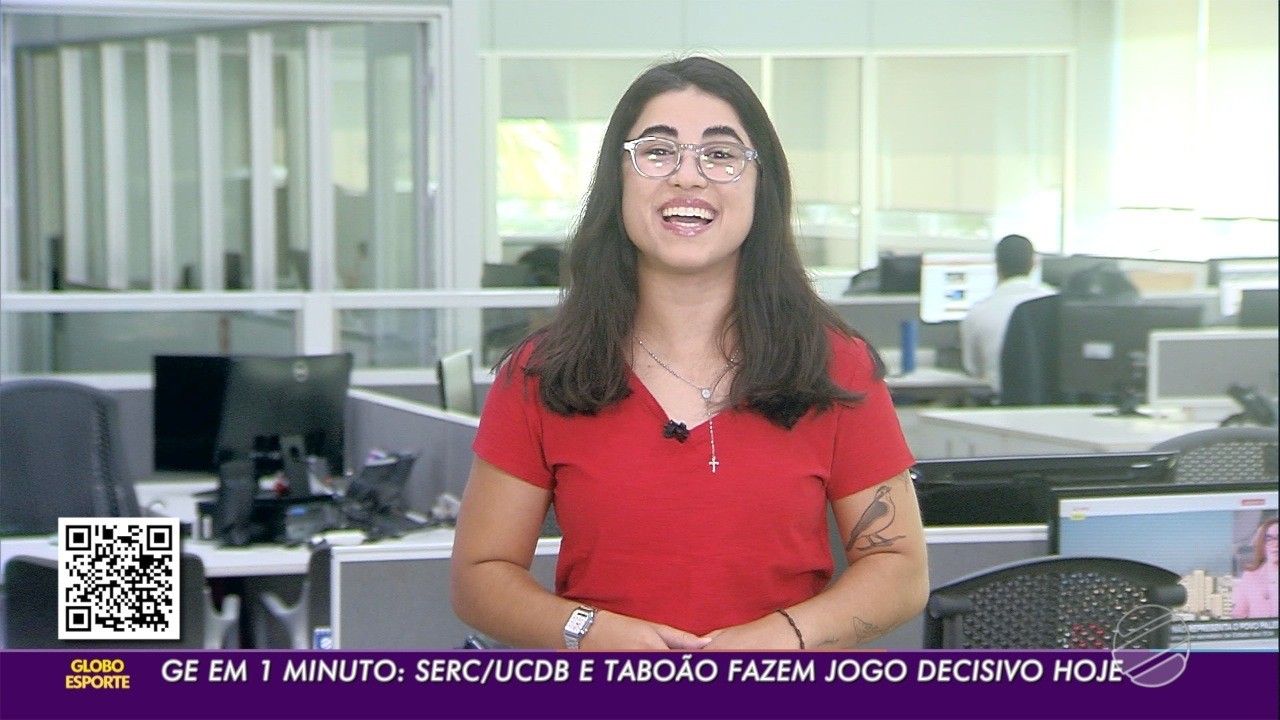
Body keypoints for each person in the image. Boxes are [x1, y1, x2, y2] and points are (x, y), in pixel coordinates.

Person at [450, 56, 928, 651]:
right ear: (618, 180)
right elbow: (480, 576)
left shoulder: (834, 365)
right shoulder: (543, 374)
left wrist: (780, 639)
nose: (689, 177)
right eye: (657, 152)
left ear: (762, 186)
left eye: (721, 155)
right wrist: (590, 631)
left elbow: (900, 570)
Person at [958, 234, 1056, 393]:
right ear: (1034, 263)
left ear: (997, 265)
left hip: (999, 408)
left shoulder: (978, 312)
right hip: (1053, 407)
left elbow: (974, 370)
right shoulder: (1056, 303)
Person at [1232, 517, 1278, 620]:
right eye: (1269, 539)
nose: (1275, 544)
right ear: (1263, 544)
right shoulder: (1249, 578)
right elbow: (1238, 617)